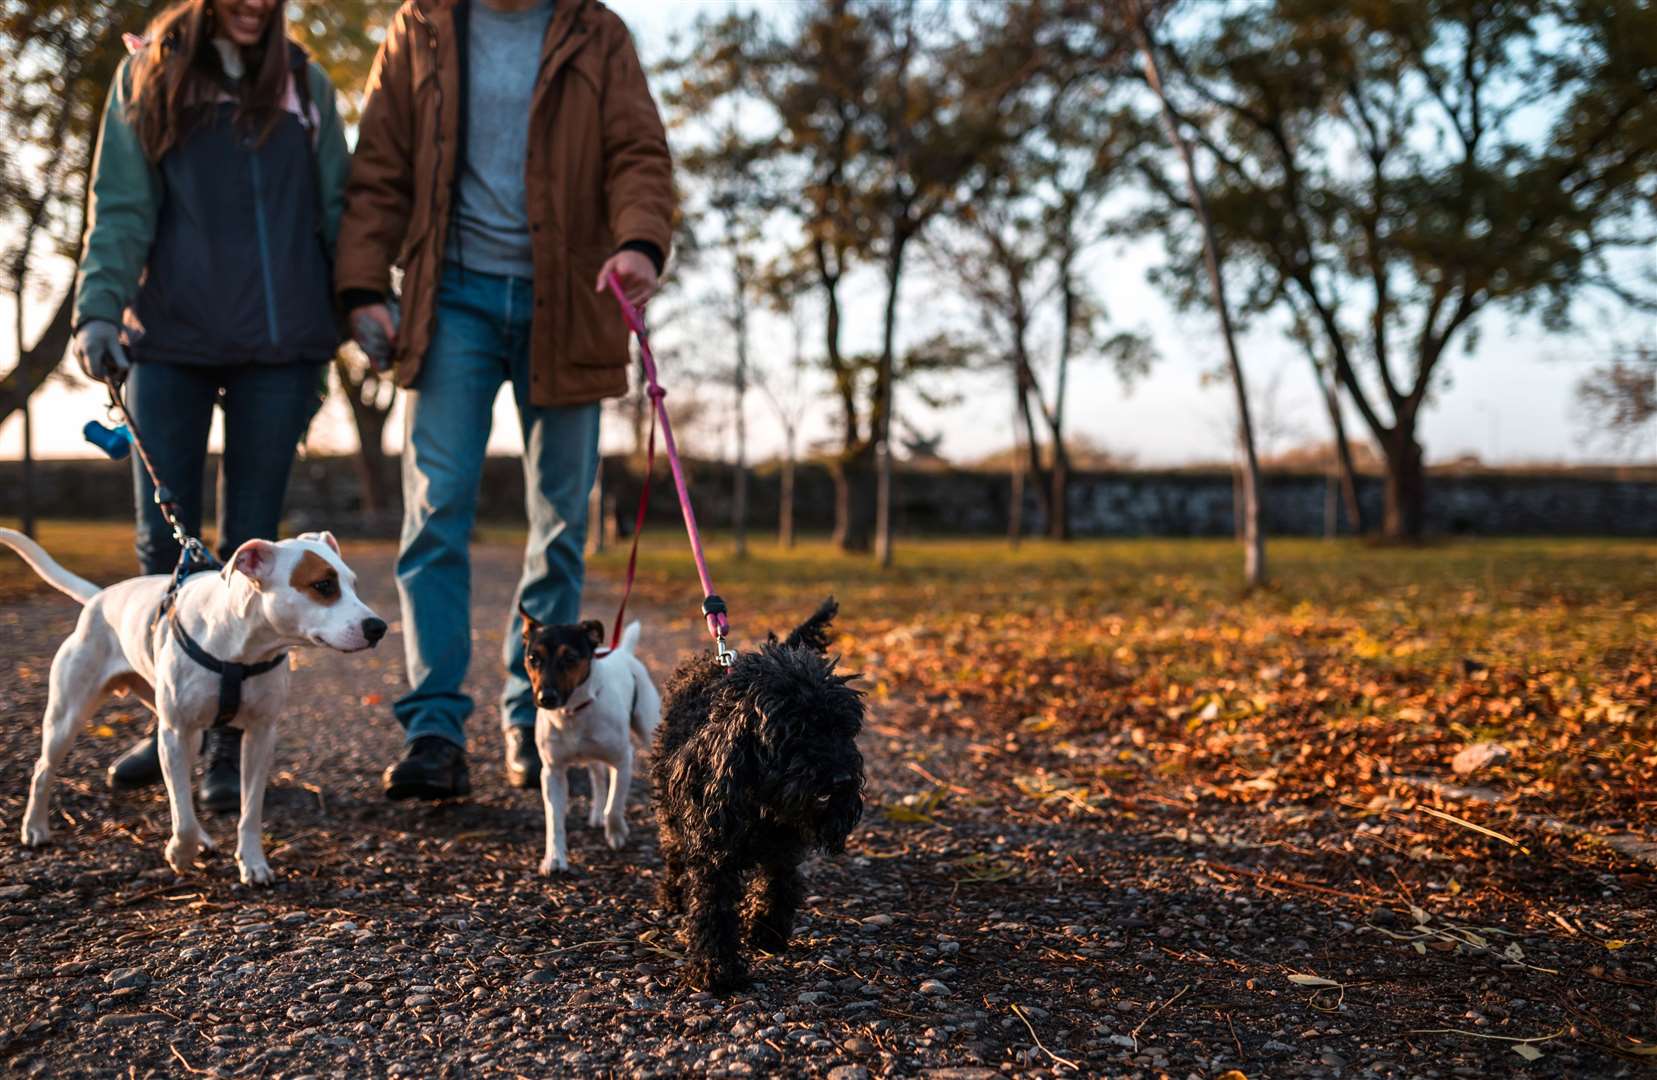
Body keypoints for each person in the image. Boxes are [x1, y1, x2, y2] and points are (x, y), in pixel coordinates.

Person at [337, 0, 674, 800]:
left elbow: (639, 154)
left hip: (570, 298)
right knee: (437, 508)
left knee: (561, 521)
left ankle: (536, 716)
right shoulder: (419, 26)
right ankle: (434, 730)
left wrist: (638, 241)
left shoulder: (596, 31)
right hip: (448, 295)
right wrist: (361, 284)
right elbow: (379, 164)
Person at [71, 0, 349, 811]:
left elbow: (337, 207)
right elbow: (119, 204)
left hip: (283, 341)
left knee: (258, 534)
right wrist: (98, 308)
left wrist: (355, 304)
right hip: (167, 337)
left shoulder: (306, 84)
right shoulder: (150, 72)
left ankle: (232, 742)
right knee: (166, 539)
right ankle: (177, 710)